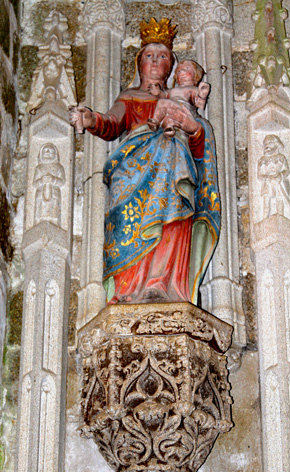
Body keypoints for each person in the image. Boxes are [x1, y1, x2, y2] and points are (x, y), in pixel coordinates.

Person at [69, 18, 220, 305]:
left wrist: (193, 128)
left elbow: (201, 142)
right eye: (149, 55)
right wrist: (90, 119)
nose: (154, 61)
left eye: (162, 56)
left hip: (173, 166)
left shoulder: (179, 101)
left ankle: (162, 284)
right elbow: (112, 123)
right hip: (131, 168)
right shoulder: (130, 96)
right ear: (139, 63)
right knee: (131, 221)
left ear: (171, 67)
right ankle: (127, 290)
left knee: (173, 211)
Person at [147, 60, 210, 137]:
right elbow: (163, 95)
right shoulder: (172, 90)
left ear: (196, 75)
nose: (182, 71)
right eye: (179, 71)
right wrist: (157, 92)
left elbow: (200, 103)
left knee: (165, 103)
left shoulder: (193, 89)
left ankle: (168, 127)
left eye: (187, 68)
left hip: (184, 111)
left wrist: (203, 94)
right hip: (170, 110)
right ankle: (158, 123)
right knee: (161, 102)